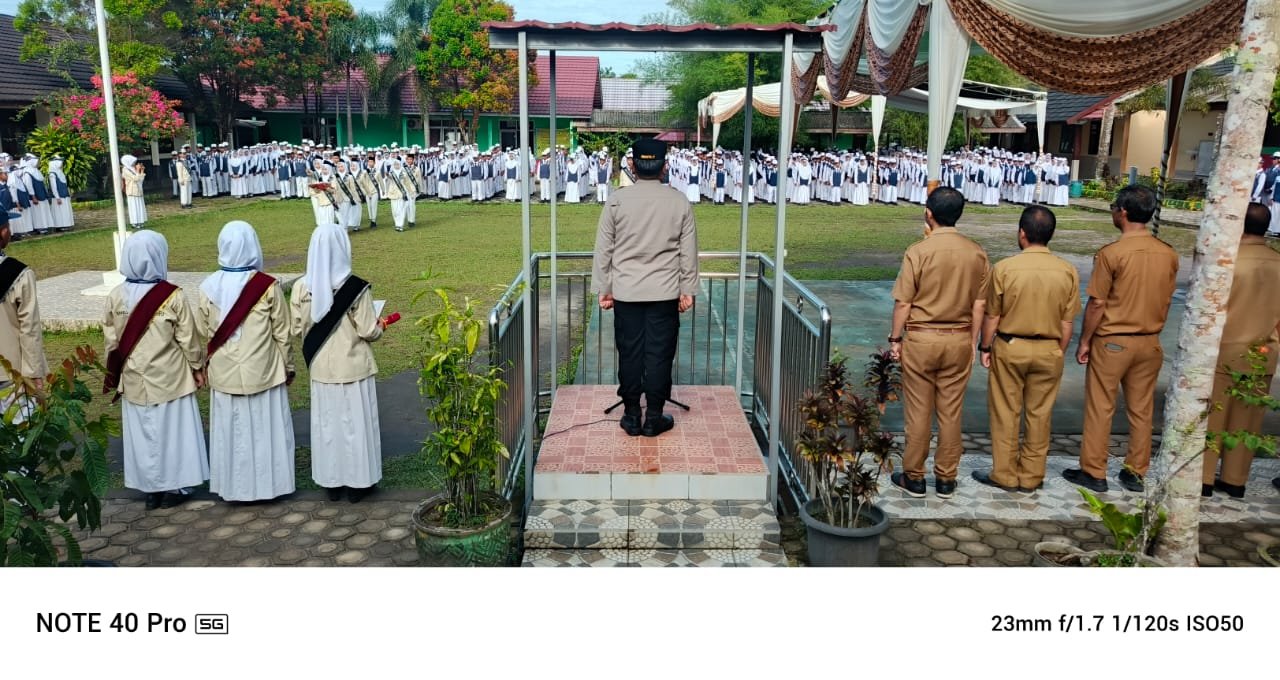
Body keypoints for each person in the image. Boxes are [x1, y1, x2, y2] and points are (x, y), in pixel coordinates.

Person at [1065, 185, 1179, 493]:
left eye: (1114, 207)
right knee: (1141, 410)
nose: (1114, 212)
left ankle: (1094, 470)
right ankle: (1135, 471)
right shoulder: (1168, 253)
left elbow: (1098, 303)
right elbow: (1168, 298)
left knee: (1101, 406)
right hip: (1150, 340)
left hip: (1113, 340)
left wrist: (1085, 340)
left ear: (1123, 212)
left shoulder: (1112, 254)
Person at [887, 187, 990, 499]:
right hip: (958, 338)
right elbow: (979, 304)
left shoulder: (919, 251)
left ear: (928, 214)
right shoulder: (976, 252)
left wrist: (895, 338)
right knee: (951, 413)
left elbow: (904, 302)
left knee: (918, 412)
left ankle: (914, 476)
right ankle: (946, 477)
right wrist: (972, 341)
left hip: (922, 337)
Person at [591, 138, 698, 437]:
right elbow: (688, 252)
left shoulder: (617, 201)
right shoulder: (679, 201)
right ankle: (653, 417)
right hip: (665, 293)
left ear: (633, 166)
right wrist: (687, 289)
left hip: (627, 293)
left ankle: (631, 415)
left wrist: (605, 288)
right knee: (660, 354)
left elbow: (604, 250)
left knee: (630, 353)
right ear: (665, 167)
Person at [972, 206, 1080, 493]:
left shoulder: (1005, 268)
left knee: (1006, 412)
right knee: (1039, 414)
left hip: (1011, 345)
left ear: (1022, 233)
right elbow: (1067, 322)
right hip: (1049, 348)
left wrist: (985, 346)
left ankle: (1005, 474)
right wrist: (1057, 350)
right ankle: (1032, 475)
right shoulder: (1067, 270)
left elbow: (993, 316)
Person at [104, 231, 209, 509]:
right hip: (170, 377)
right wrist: (197, 367)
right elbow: (188, 338)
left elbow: (111, 342)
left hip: (134, 377)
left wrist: (116, 374)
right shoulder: (172, 296)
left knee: (143, 434)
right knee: (174, 433)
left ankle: (151, 489)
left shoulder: (116, 296)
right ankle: (177, 485)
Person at [196, 221, 296, 503]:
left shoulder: (207, 287)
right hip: (263, 369)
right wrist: (288, 366)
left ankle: (234, 488)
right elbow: (282, 333)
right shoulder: (267, 287)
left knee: (232, 433)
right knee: (266, 430)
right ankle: (270, 486)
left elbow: (203, 330)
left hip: (225, 371)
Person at [291, 224, 389, 502]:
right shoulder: (356, 288)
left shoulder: (301, 287)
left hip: (321, 367)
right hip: (353, 367)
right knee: (356, 426)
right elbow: (368, 330)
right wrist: (380, 325)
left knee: (328, 426)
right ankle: (359, 483)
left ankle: (331, 482)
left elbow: (297, 328)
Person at [1201, 203, 1280, 498]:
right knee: (1247, 420)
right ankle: (1235, 480)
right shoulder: (1278, 262)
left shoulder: (1226, 261)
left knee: (1212, 417)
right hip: (1263, 350)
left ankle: (1204, 477)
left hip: (1224, 348)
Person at [0, 209, 49, 421]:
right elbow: (29, 329)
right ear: (3, 232)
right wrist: (35, 373)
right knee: (18, 433)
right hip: (12, 372)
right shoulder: (19, 275)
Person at [46, 156, 75, 231]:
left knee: (65, 211)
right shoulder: (52, 174)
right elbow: (54, 187)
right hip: (58, 197)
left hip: (64, 195)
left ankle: (66, 224)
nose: (61, 164)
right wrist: (57, 197)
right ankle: (59, 226)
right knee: (59, 212)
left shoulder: (60, 172)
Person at [121, 155, 147, 229]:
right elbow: (135, 178)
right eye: (133, 162)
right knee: (133, 207)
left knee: (139, 206)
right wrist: (138, 170)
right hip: (131, 191)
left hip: (138, 190)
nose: (134, 163)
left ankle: (140, 221)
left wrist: (142, 171)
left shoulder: (133, 169)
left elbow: (140, 179)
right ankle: (134, 223)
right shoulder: (125, 170)